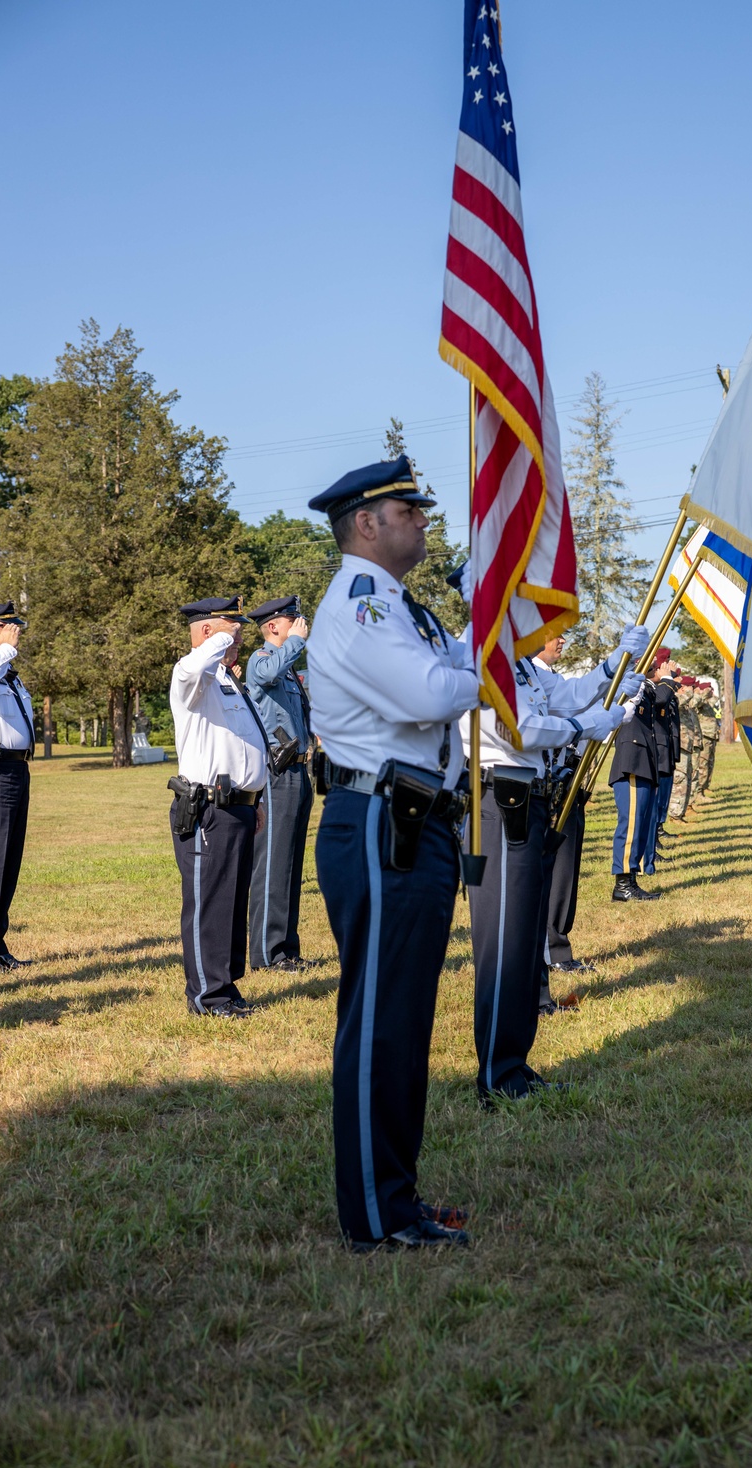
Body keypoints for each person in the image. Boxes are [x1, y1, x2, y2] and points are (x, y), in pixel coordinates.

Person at [306, 455, 480, 1252]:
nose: (422, 518)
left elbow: (444, 681)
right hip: (382, 823)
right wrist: (483, 661)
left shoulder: (403, 607)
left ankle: (396, 1198)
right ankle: (376, 1217)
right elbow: (430, 695)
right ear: (366, 523)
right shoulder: (360, 602)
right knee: (380, 1022)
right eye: (408, 509)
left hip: (411, 822)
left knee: (404, 1021)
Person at [463, 610, 647, 1102]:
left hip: (524, 800)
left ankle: (514, 1066)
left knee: (522, 942)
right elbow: (517, 730)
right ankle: (498, 1077)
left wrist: (608, 669)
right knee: (504, 943)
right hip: (498, 802)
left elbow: (556, 696)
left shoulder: (516, 660)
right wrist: (586, 725)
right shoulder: (484, 651)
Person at [169, 597, 269, 1018]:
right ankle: (206, 996)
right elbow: (195, 665)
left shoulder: (226, 679)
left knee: (231, 898)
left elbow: (244, 741)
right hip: (208, 805)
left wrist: (256, 797)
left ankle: (226, 986)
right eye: (232, 627)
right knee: (209, 901)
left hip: (241, 806)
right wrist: (219, 640)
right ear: (208, 631)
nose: (240, 635)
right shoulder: (190, 676)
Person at [245, 596, 315, 974]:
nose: (300, 626)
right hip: (277, 772)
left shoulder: (288, 670)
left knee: (290, 862)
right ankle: (266, 954)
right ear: (274, 626)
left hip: (299, 771)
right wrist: (297, 642)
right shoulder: (261, 661)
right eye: (293, 621)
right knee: (272, 861)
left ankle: (286, 948)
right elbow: (269, 673)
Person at [535, 632, 593, 975]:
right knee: (554, 870)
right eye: (555, 634)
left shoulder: (548, 676)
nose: (562, 641)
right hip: (546, 783)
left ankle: (558, 943)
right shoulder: (531, 674)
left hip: (567, 780)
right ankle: (551, 948)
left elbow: (575, 699)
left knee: (566, 868)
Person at [0, 603, 34, 971]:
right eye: (7, 625)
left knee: (9, 862)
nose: (15, 631)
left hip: (17, 771)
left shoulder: (9, 676)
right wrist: (4, 648)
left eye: (16, 625)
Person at [608, 678, 660, 901]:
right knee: (630, 824)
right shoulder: (629, 681)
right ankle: (622, 884)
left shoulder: (646, 687)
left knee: (640, 823)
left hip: (642, 759)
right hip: (632, 758)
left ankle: (631, 881)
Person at [642, 649, 680, 875]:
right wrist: (668, 681)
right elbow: (661, 700)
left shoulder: (659, 689)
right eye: (658, 667)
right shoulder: (648, 688)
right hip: (652, 753)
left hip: (663, 751)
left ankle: (650, 850)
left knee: (656, 805)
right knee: (649, 808)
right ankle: (647, 854)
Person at [669, 676, 701, 825]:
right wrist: (688, 692)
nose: (690, 689)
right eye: (687, 686)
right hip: (679, 745)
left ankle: (681, 812)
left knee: (686, 779)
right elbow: (679, 702)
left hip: (686, 745)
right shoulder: (675, 697)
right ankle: (674, 815)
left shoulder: (684, 699)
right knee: (679, 780)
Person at [692, 682, 720, 805]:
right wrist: (702, 693)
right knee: (702, 765)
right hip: (704, 735)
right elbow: (697, 703)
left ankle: (704, 787)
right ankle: (699, 792)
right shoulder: (699, 702)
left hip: (711, 735)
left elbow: (714, 700)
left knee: (709, 763)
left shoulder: (707, 702)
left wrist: (710, 693)